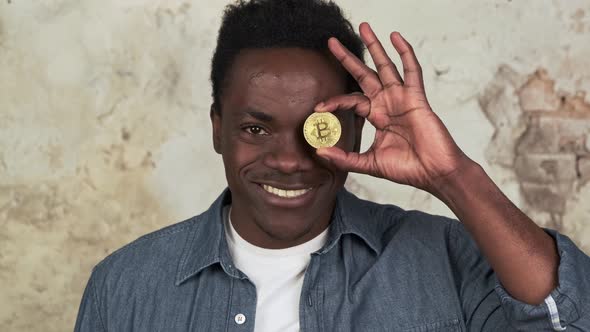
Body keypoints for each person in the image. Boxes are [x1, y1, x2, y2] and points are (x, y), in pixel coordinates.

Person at [74, 0, 590, 331]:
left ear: (356, 129)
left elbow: (565, 319)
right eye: (255, 129)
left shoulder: (446, 260)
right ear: (217, 129)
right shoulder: (126, 285)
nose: (288, 160)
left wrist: (451, 174)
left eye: (314, 128)